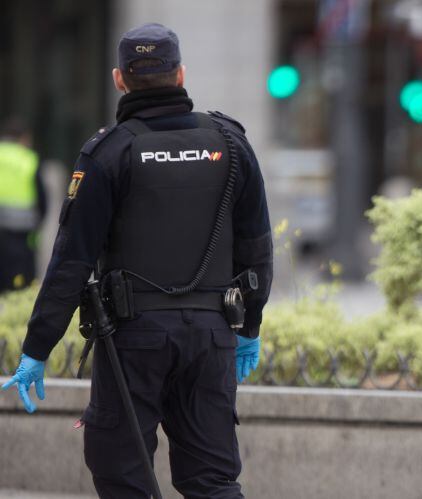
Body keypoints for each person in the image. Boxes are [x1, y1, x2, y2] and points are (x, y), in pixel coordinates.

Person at [1, 23, 273, 498]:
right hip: (212, 338)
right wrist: (250, 327)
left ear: (118, 79)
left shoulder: (109, 152)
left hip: (134, 340)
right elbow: (257, 247)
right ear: (181, 74)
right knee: (213, 479)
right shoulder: (231, 144)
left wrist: (37, 349)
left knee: (123, 474)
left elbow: (71, 262)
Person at [0, 117, 47, 292]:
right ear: (24, 138)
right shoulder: (29, 159)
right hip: (22, 237)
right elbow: (43, 202)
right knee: (20, 289)